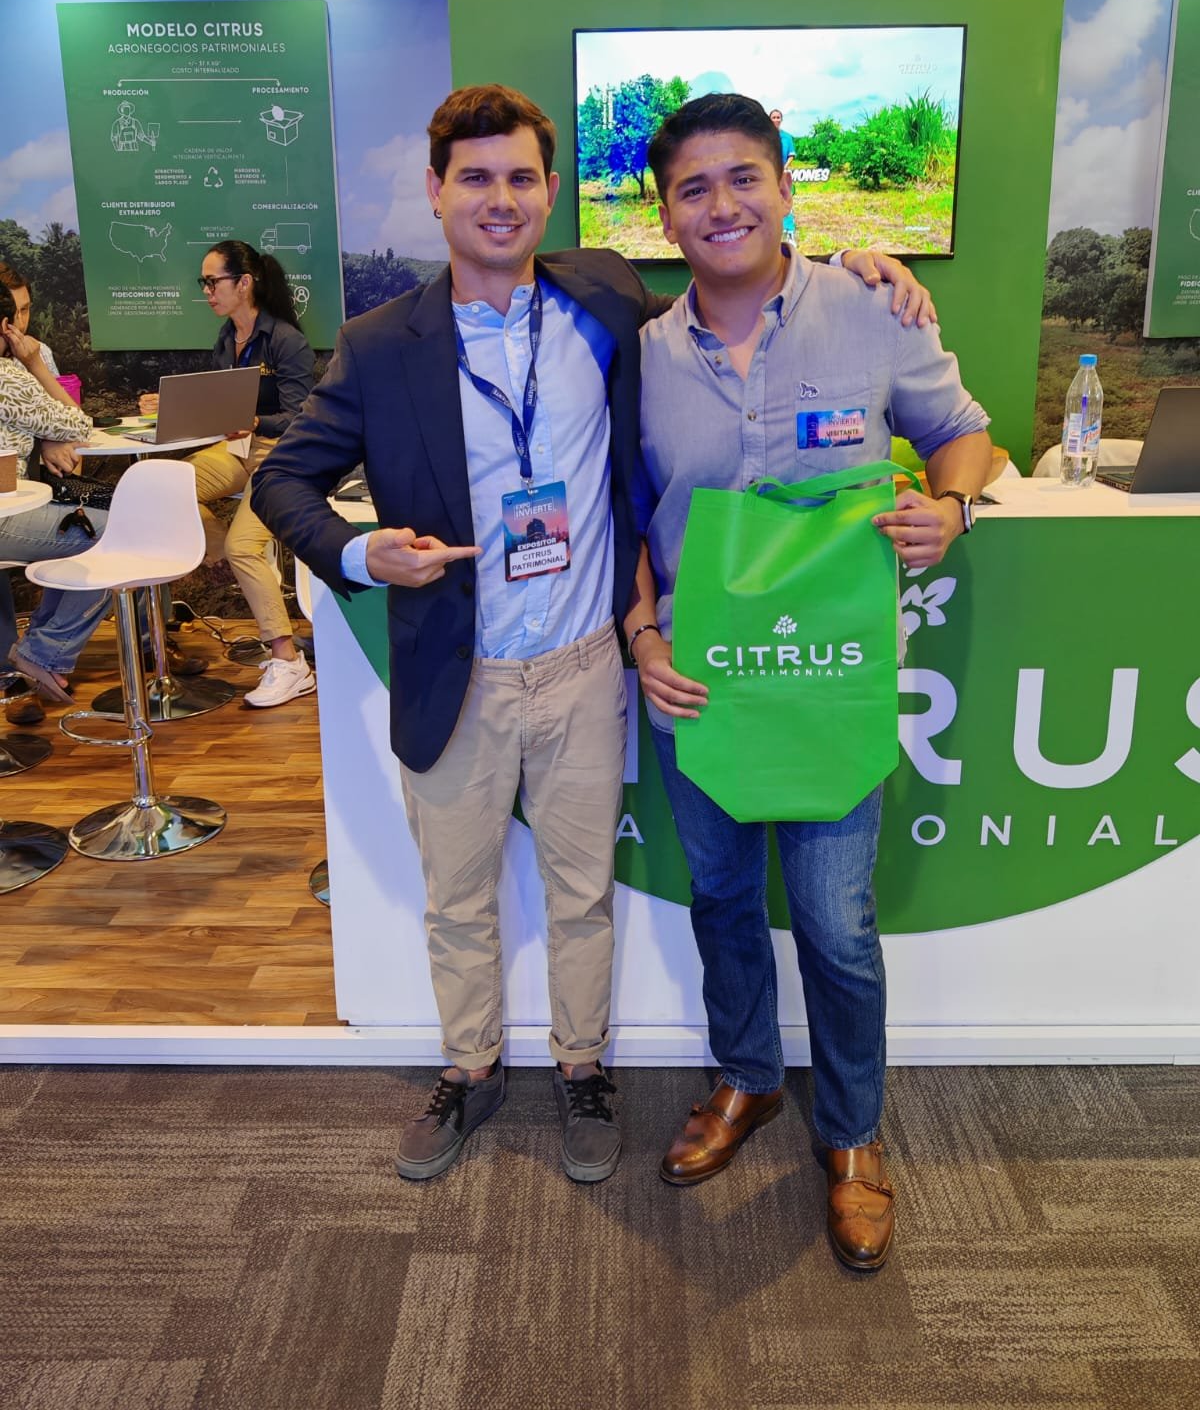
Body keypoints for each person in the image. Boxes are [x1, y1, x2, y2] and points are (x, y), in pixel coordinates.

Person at [252, 83, 935, 1188]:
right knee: (457, 901)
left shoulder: (604, 298)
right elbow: (282, 479)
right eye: (476, 177)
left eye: (521, 177)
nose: (501, 199)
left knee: (583, 898)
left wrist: (860, 265)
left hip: (583, 668)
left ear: (551, 191)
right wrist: (360, 553)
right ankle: (469, 1070)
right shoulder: (380, 345)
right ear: (436, 191)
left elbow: (734, 280)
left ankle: (584, 1070)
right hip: (460, 669)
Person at [623, 93, 992, 1269]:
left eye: (745, 177)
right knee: (724, 903)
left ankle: (852, 1132)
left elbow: (962, 430)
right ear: (664, 216)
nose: (722, 204)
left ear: (786, 187)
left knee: (837, 925)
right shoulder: (640, 355)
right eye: (693, 188)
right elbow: (630, 515)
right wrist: (643, 634)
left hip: (828, 680)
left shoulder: (873, 308)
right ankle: (747, 1076)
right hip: (703, 689)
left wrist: (952, 505)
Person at [140, 241, 316, 707]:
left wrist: (256, 421)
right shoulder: (225, 339)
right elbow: (219, 405)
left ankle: (290, 663)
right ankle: (219, 555)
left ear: (244, 283)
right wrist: (169, 405)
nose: (207, 291)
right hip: (237, 449)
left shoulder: (286, 340)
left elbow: (302, 417)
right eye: (204, 282)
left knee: (245, 545)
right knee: (167, 488)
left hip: (282, 453)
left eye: (213, 281)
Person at [0, 280, 112, 708]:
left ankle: (38, 651)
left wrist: (45, 436)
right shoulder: (8, 376)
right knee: (117, 534)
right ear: (7, 326)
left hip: (16, 508)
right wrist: (34, 365)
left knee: (77, 538)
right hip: (6, 515)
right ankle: (43, 652)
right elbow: (78, 424)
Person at [768, 108, 798, 246]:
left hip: (783, 174)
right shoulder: (765, 137)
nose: (776, 120)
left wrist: (784, 167)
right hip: (769, 173)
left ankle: (789, 232)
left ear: (781, 119)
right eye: (773, 117)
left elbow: (791, 155)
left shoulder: (787, 137)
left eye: (778, 117)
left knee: (785, 201)